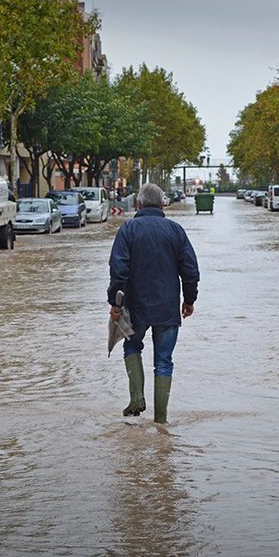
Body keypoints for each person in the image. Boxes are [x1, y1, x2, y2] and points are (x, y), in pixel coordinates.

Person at [108, 182, 200, 424]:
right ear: (162, 205)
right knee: (164, 361)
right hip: (168, 308)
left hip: (134, 307)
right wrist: (189, 300)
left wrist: (115, 304)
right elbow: (190, 270)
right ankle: (161, 420)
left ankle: (137, 398)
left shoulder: (128, 230)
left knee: (131, 348)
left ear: (138, 204)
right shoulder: (176, 231)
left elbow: (118, 270)